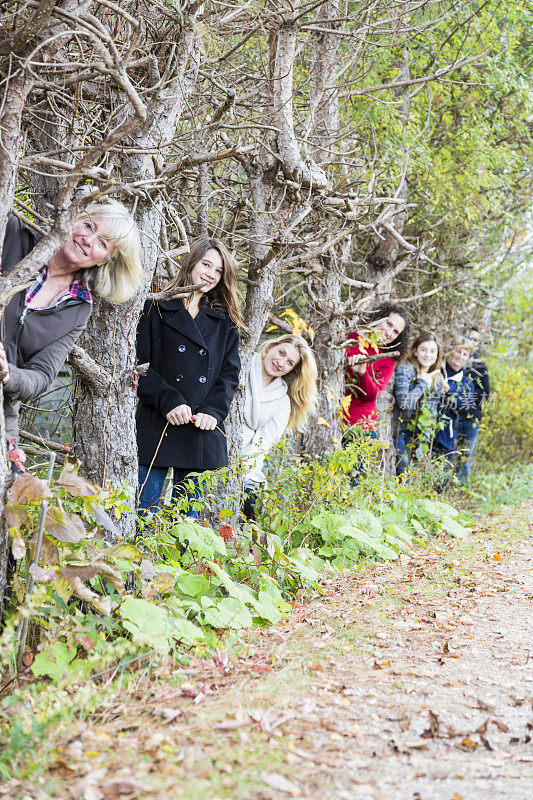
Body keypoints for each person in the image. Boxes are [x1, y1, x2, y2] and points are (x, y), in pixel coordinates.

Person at [0, 200, 143, 458]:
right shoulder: (13, 234)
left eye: (102, 243)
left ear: (104, 261)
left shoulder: (78, 307)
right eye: (89, 225)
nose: (89, 240)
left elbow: (42, 375)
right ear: (74, 219)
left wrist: (9, 374)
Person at [136, 236, 242, 517]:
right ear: (191, 262)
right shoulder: (155, 308)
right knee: (142, 513)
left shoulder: (224, 321)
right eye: (206, 264)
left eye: (218, 270)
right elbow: (139, 365)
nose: (210, 274)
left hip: (199, 429)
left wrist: (213, 412)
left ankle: (179, 564)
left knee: (186, 522)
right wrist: (169, 401)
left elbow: (229, 376)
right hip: (157, 422)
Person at [241, 334, 318, 520]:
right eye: (281, 353)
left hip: (242, 461)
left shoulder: (282, 402)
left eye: (289, 362)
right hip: (209, 442)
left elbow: (261, 445)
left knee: (250, 499)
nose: (281, 362)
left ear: (291, 370)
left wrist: (240, 472)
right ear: (270, 347)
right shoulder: (241, 363)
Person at [343, 302, 410, 437]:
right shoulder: (350, 336)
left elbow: (373, 396)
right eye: (389, 324)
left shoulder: (387, 360)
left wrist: (362, 373)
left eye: (396, 332)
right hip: (330, 416)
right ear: (380, 317)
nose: (389, 333)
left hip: (360, 427)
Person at [392, 332, 447, 478]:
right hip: (399, 430)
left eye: (432, 351)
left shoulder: (436, 378)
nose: (428, 355)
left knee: (414, 472)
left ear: (437, 354)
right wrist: (421, 384)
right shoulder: (406, 369)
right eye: (424, 349)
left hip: (418, 434)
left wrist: (424, 443)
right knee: (403, 468)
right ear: (415, 351)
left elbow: (431, 412)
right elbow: (404, 403)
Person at [434, 342, 475, 478]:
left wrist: (448, 392)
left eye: (465, 354)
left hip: (447, 436)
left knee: (441, 477)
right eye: (458, 352)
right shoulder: (436, 369)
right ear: (450, 352)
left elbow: (465, 407)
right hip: (425, 431)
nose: (460, 357)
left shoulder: (466, 382)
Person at [456, 326, 490, 483]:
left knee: (466, 455)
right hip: (452, 416)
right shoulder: (455, 358)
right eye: (470, 337)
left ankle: (461, 490)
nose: (472, 342)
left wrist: (465, 398)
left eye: (475, 340)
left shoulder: (480, 365)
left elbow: (486, 393)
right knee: (450, 451)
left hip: (471, 418)